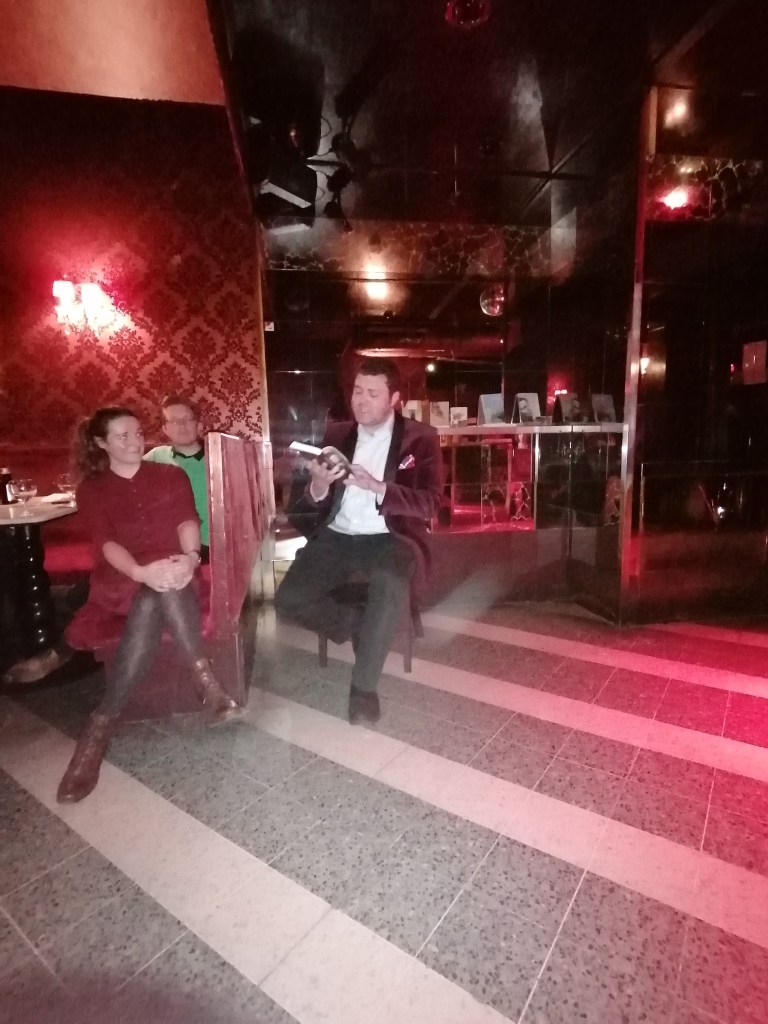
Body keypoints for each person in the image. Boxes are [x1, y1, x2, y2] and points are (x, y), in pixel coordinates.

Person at [56, 406, 237, 804]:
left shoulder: (169, 474)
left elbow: (187, 521)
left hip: (175, 572)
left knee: (160, 590)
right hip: (123, 578)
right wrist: (141, 572)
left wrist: (190, 559)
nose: (135, 441)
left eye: (138, 433)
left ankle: (100, 724)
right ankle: (205, 680)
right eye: (123, 436)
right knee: (153, 591)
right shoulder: (93, 488)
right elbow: (106, 543)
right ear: (101, 443)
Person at [276, 358, 443, 724]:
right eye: (356, 391)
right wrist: (318, 486)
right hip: (338, 536)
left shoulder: (421, 438)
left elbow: (431, 503)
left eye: (372, 393)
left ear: (393, 399)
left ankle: (363, 690)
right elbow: (309, 505)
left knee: (390, 581)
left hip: (390, 537)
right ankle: (360, 626)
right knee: (287, 600)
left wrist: (379, 487)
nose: (361, 401)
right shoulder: (336, 434)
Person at [144, 395, 210, 559]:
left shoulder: (218, 456)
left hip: (212, 545)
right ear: (165, 429)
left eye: (187, 419)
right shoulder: (155, 457)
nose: (182, 425)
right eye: (174, 420)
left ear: (198, 425)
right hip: (169, 547)